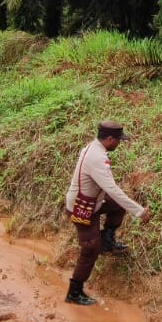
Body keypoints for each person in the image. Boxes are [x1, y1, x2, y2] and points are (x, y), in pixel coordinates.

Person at [62, 121, 150, 306]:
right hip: (81, 208)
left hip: (92, 202)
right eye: (118, 140)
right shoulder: (97, 159)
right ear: (110, 139)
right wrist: (139, 211)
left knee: (116, 205)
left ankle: (107, 240)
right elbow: (112, 189)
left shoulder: (93, 148)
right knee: (90, 249)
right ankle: (74, 292)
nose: (119, 144)